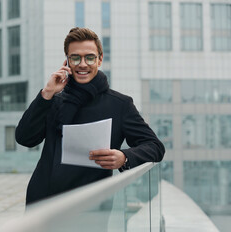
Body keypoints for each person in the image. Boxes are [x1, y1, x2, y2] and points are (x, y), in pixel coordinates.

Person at [15, 27, 165, 206]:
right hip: (43, 201)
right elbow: (25, 138)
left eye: (90, 57)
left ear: (100, 59)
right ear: (67, 61)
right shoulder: (54, 100)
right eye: (75, 57)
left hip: (91, 206)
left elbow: (155, 147)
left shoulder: (119, 104)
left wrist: (123, 157)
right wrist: (46, 93)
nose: (82, 64)